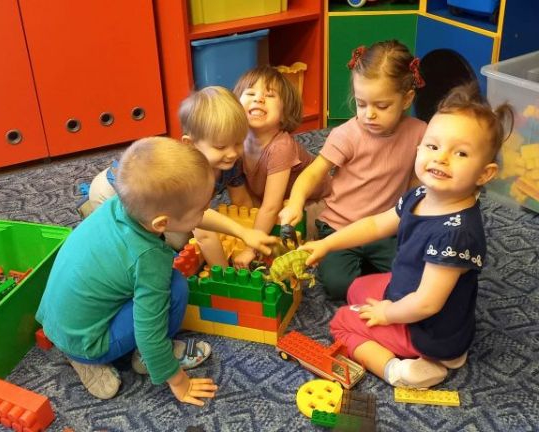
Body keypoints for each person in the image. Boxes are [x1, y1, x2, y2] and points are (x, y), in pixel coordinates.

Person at [302, 82, 513, 388]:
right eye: (433, 146)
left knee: (342, 323)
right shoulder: (420, 195)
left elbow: (427, 304)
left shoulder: (455, 234)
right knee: (357, 288)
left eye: (461, 153)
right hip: (411, 297)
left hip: (429, 331)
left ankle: (400, 370)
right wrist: (327, 243)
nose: (441, 158)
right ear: (419, 148)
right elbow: (375, 225)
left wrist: (387, 313)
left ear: (484, 174)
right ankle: (415, 344)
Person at [37, 137, 276, 405]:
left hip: (56, 320)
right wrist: (180, 383)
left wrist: (243, 232)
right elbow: (148, 334)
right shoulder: (148, 259)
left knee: (143, 286)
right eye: (201, 209)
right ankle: (109, 360)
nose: (205, 212)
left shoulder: (121, 206)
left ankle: (78, 347)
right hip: (89, 342)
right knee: (175, 286)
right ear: (161, 223)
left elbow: (195, 215)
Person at [278, 40, 428, 300]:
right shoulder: (346, 134)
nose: (369, 114)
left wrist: (413, 221)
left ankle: (372, 268)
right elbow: (313, 173)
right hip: (339, 227)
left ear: (407, 99)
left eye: (382, 106)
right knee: (338, 285)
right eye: (361, 104)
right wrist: (295, 203)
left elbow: (416, 183)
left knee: (415, 277)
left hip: (385, 228)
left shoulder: (420, 133)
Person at [79, 86, 253, 267]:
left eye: (238, 143)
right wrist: (223, 273)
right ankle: (92, 210)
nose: (233, 153)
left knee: (184, 227)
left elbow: (242, 203)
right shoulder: (188, 175)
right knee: (150, 243)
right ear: (191, 144)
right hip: (112, 191)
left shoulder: (230, 162)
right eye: (220, 147)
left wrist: (250, 234)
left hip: (154, 194)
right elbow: (205, 236)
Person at [231, 66, 329, 268]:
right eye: (250, 93)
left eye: (270, 95)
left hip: (315, 201)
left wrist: (251, 248)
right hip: (273, 197)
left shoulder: (281, 147)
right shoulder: (237, 142)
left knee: (295, 243)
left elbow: (271, 206)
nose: (259, 99)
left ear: (284, 114)